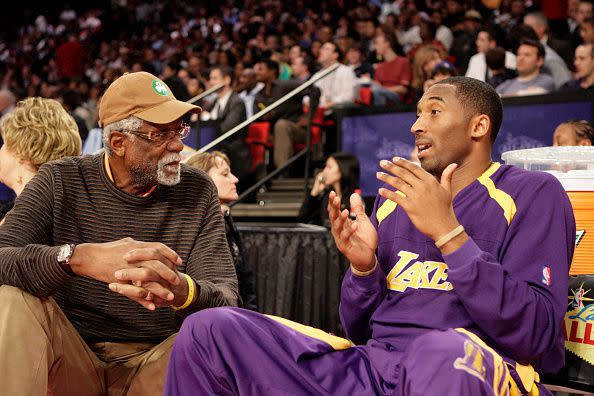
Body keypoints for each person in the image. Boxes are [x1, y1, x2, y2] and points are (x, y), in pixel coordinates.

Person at [163, 76, 575, 395]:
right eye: (416, 114)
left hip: (479, 369)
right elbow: (358, 331)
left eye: (433, 112)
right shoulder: (395, 201)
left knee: (439, 350)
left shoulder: (532, 193)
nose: (416, 125)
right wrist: (364, 270)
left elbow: (537, 335)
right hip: (376, 368)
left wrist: (450, 234)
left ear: (478, 126)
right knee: (210, 331)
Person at [0, 71, 239, 395]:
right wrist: (77, 258)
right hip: (72, 356)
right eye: (161, 135)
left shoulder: (198, 190)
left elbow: (227, 298)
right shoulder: (60, 180)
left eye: (179, 129)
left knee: (214, 330)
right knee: (10, 297)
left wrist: (182, 290)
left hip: (158, 360)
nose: (178, 145)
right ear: (118, 143)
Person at [185, 150, 258, 311]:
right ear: (203, 179)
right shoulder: (191, 227)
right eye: (225, 174)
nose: (235, 179)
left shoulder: (226, 218)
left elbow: (245, 282)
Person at [0, 97, 82, 220]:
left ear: (20, 152)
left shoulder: (20, 223)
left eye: (5, 143)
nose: (1, 150)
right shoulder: (74, 215)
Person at [298, 152, 360, 227]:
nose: (324, 171)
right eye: (325, 167)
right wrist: (314, 192)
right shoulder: (326, 197)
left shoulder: (355, 197)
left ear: (343, 170)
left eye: (329, 167)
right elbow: (302, 219)